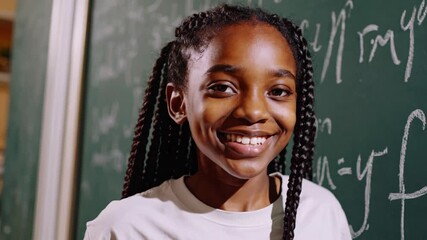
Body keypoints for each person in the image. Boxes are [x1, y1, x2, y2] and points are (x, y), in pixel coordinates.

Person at [84, 4, 351, 240]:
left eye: (278, 91)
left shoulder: (320, 213)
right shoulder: (127, 228)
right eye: (223, 88)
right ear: (178, 104)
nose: (253, 111)